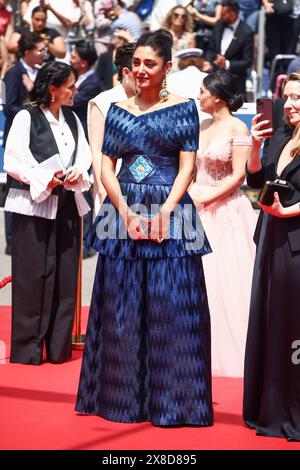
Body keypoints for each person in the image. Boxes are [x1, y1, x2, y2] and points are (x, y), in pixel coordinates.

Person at [76, 29, 213, 426]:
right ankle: (121, 401)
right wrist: (123, 210)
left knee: (174, 308)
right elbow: (106, 165)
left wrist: (169, 209)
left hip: (173, 213)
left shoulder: (185, 108)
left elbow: (188, 165)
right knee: (122, 308)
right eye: (135, 63)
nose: (140, 70)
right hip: (124, 216)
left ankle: (176, 404)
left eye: (149, 63)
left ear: (167, 67)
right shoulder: (117, 110)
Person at [4, 62, 91, 365]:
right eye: (70, 86)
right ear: (53, 89)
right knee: (32, 276)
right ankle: (27, 350)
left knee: (66, 275)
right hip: (33, 204)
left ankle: (58, 347)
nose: (74, 91)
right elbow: (13, 161)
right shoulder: (25, 117)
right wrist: (44, 177)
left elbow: (84, 154)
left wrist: (77, 172)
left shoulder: (73, 119)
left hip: (66, 203)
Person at [243, 72, 300, 440]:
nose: (290, 105)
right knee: (270, 321)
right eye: (288, 97)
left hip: (296, 241)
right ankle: (270, 407)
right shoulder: (280, 135)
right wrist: (253, 146)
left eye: (298, 98)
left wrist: (290, 212)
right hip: (270, 238)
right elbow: (256, 182)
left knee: (293, 326)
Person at [189, 70, 256, 377]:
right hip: (194, 205)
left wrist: (207, 198)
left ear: (216, 97)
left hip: (225, 210)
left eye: (202, 91)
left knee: (226, 281)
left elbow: (239, 176)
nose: (199, 96)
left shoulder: (238, 127)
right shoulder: (200, 125)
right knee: (195, 280)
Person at [3, 31, 46, 257]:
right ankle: (11, 239)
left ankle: (28, 235)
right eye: (40, 50)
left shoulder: (38, 73)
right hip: (18, 139)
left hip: (36, 141)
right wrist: (33, 110)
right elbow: (9, 107)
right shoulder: (13, 73)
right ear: (28, 52)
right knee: (14, 189)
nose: (43, 53)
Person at [89, 42, 136, 206]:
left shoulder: (154, 102)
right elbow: (96, 152)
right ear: (126, 72)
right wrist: (103, 191)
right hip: (112, 188)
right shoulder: (103, 102)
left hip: (146, 192)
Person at [203, 0, 254, 99]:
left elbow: (247, 61)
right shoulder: (219, 25)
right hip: (215, 81)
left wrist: (226, 64)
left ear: (232, 14)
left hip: (234, 83)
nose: (220, 17)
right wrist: (208, 62)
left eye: (223, 14)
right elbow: (211, 49)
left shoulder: (247, 32)